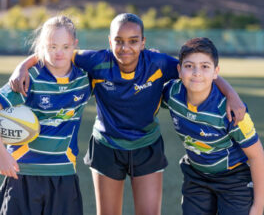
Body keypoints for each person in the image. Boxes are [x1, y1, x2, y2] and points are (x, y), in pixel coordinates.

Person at [9, 14, 246, 215]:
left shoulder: (158, 63)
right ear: (109, 41)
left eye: (133, 41)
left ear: (143, 42)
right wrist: (24, 66)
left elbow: (197, 68)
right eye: (119, 41)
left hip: (146, 146)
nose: (125, 47)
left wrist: (232, 95)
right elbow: (55, 49)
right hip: (106, 146)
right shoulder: (96, 60)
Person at [0, 16, 91, 215]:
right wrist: (2, 155)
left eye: (65, 47)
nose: (59, 53)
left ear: (74, 45)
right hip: (23, 173)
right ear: (41, 46)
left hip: (64, 173)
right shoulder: (27, 78)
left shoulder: (84, 80)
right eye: (52, 46)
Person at [162, 37, 264, 215]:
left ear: (216, 71)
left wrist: (258, 206)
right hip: (196, 176)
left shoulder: (232, 111)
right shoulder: (172, 93)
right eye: (189, 66)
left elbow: (257, 156)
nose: (196, 73)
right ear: (179, 70)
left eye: (205, 66)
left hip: (234, 179)